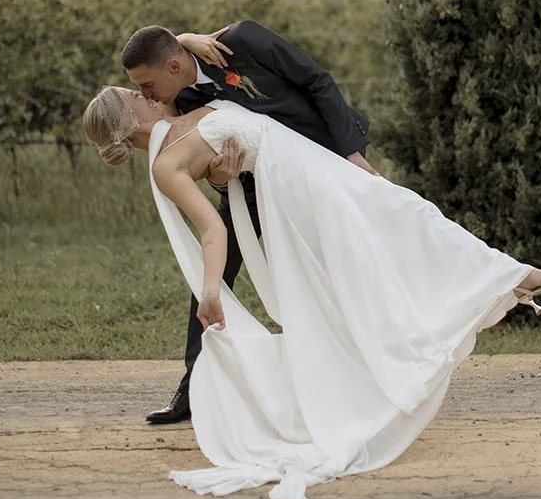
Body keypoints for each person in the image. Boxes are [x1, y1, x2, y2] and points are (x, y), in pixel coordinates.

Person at [83, 84, 541, 499]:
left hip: (309, 165)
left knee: (406, 213)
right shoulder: (167, 164)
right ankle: (505, 283)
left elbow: (196, 81)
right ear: (128, 118)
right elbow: (212, 229)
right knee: (401, 220)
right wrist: (211, 292)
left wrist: (219, 171)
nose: (144, 94)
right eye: (133, 96)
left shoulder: (183, 112)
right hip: (298, 189)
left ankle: (509, 278)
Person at [120, 23, 372, 425]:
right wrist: (222, 177)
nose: (147, 94)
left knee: (336, 264)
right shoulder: (178, 97)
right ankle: (195, 385)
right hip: (249, 186)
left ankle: (362, 369)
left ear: (171, 65)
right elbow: (211, 163)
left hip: (319, 159)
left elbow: (317, 81)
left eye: (147, 84)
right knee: (212, 274)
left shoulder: (240, 43)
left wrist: (350, 153)